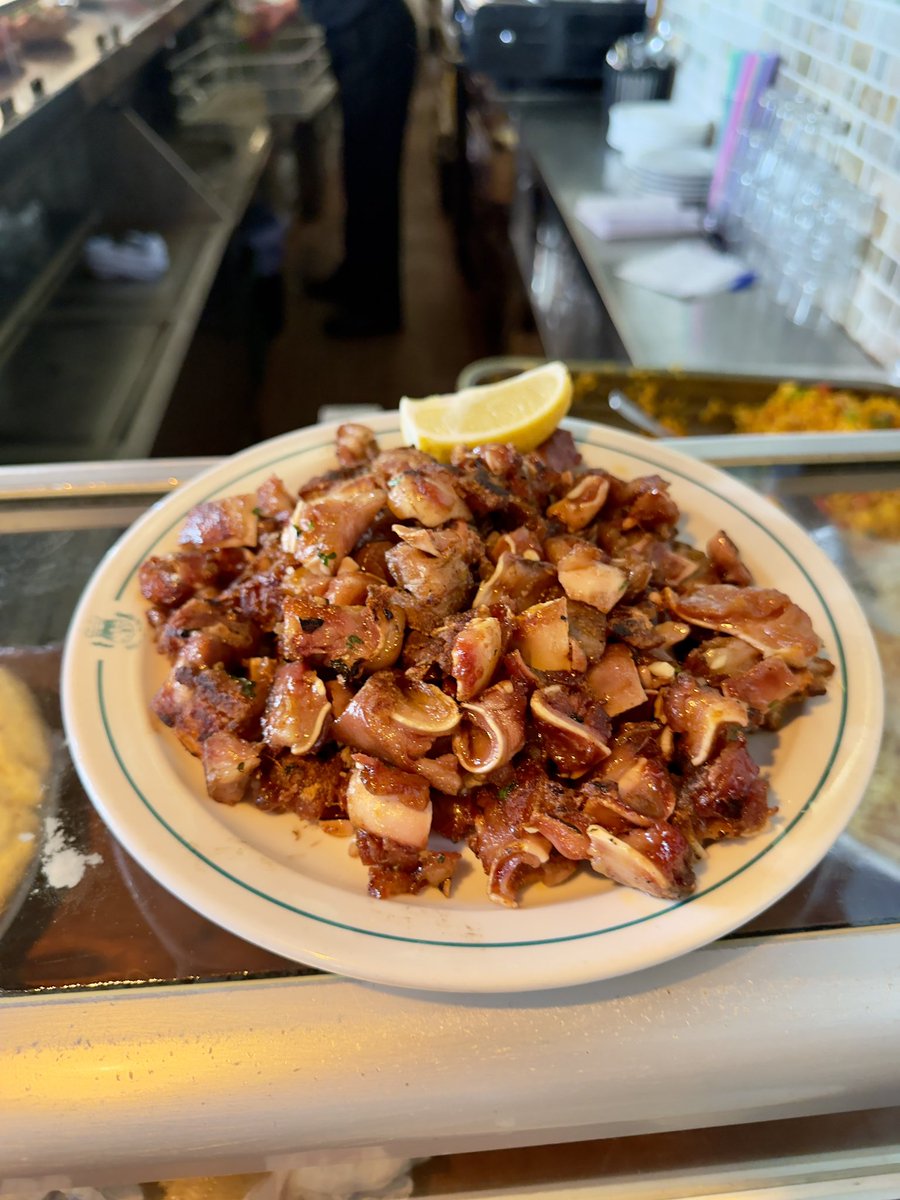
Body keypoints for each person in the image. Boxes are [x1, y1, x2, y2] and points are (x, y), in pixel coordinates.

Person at [303, 0, 418, 338]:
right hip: (361, 33)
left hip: (373, 35)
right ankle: (357, 275)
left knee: (373, 175)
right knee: (358, 168)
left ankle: (378, 309)